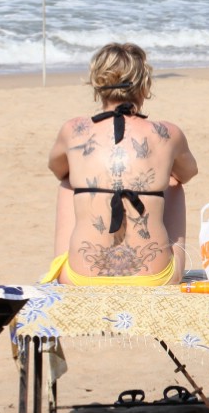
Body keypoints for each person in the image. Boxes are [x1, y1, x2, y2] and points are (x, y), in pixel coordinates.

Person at [43, 43, 198, 285]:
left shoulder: (73, 130)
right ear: (144, 86)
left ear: (97, 85)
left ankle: (63, 268)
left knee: (67, 183)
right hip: (155, 279)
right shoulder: (167, 133)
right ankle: (167, 263)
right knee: (173, 184)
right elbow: (188, 173)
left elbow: (56, 168)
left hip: (80, 279)